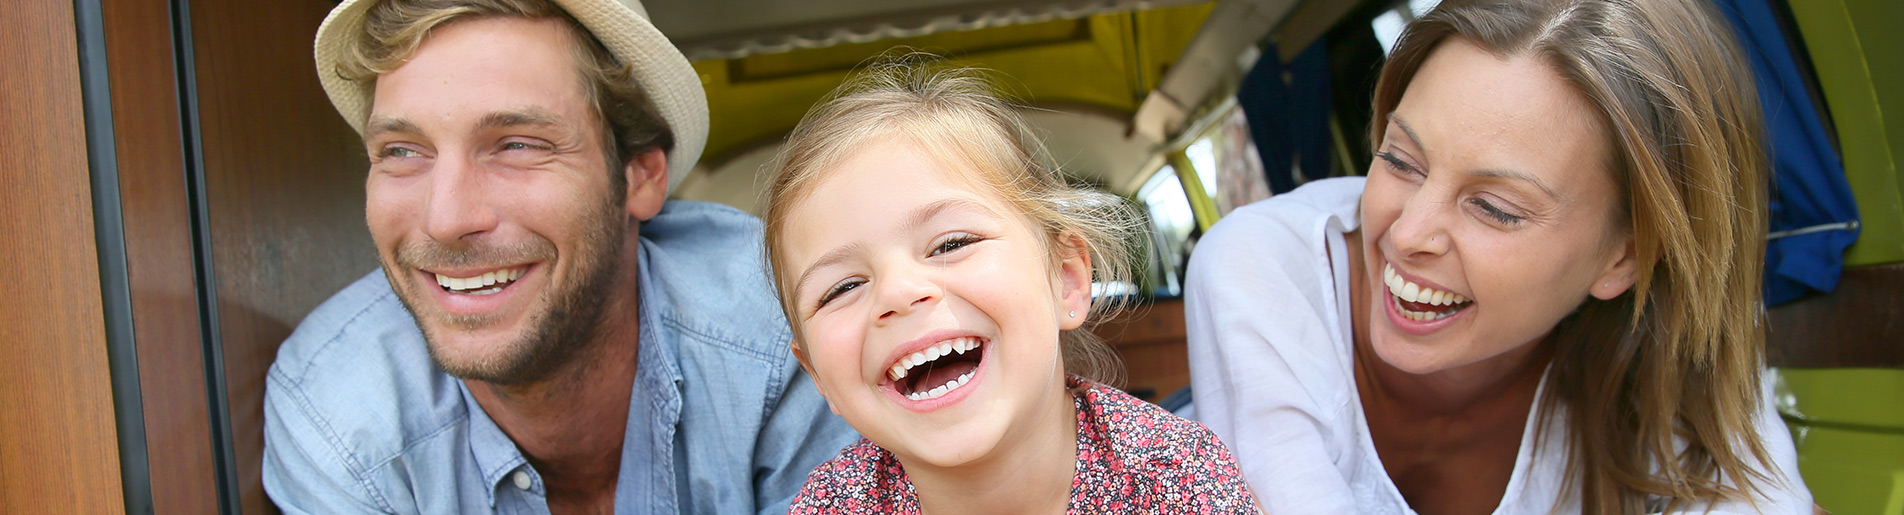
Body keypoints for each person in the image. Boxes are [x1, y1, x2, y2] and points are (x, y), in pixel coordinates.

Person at [1185, 0, 1813, 512]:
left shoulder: (1681, 343)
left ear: (1625, 259)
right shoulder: (1262, 269)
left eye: (1495, 208)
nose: (1408, 235)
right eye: (1400, 160)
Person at [261, 0, 858, 512]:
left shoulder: (787, 327)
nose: (446, 219)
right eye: (402, 150)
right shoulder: (339, 416)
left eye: (517, 145)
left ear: (641, 176)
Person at [760, 61, 1259, 514]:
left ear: (1066, 278)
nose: (898, 292)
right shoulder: (830, 506)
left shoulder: (1178, 476)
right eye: (842, 287)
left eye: (951, 243)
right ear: (820, 379)